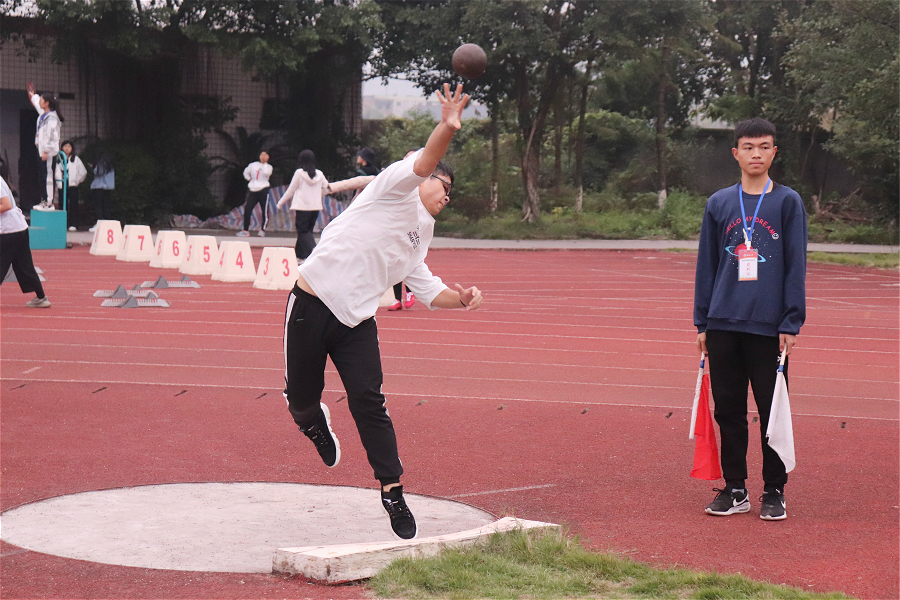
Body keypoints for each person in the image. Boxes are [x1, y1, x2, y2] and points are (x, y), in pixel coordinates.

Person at [282, 83, 481, 540]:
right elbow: (425, 161)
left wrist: (461, 297)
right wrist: (447, 127)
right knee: (300, 403)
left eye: (451, 191)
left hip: (356, 323)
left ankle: (392, 491)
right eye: (445, 185)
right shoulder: (394, 187)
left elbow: (428, 288)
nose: (448, 195)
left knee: (370, 403)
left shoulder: (422, 233)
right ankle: (313, 423)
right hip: (311, 303)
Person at [694, 117, 807, 521]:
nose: (756, 154)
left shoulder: (787, 202)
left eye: (763, 147)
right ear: (736, 153)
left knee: (771, 412)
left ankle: (774, 489)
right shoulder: (719, 203)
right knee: (728, 410)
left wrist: (791, 322)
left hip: (768, 327)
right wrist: (702, 323)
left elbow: (795, 265)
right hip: (723, 324)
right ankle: (735, 487)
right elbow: (706, 265)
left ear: (774, 152)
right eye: (748, 147)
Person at [0, 175, 51, 308]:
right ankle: (41, 297)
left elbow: (6, 204)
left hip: (9, 229)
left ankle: (41, 298)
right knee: (25, 264)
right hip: (19, 227)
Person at [276, 150, 328, 261]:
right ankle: (300, 255)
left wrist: (280, 203)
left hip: (302, 207)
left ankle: (313, 253)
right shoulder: (319, 174)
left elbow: (290, 190)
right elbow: (327, 188)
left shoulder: (299, 173)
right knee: (307, 231)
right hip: (315, 208)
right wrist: (318, 196)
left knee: (303, 231)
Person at [27, 84, 63, 210]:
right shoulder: (43, 115)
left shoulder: (52, 118)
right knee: (41, 176)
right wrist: (33, 96)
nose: (40, 101)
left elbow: (53, 137)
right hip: (42, 151)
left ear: (47, 103)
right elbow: (37, 104)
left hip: (48, 153)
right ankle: (44, 201)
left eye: (42, 99)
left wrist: (46, 151)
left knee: (47, 177)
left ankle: (49, 203)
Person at [237, 151, 273, 237]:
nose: (263, 157)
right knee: (248, 209)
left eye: (265, 155)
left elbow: (266, 173)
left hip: (263, 189)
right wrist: (249, 179)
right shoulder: (253, 165)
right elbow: (246, 172)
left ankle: (262, 230)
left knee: (264, 211)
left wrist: (265, 163)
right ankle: (245, 230)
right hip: (253, 190)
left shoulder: (268, 167)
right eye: (261, 155)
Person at [55, 140, 88, 231]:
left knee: (73, 205)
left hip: (72, 186)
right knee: (62, 205)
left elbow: (83, 172)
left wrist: (76, 181)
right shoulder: (59, 159)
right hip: (62, 185)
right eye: (65, 146)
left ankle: (73, 224)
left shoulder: (75, 159)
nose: (67, 149)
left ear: (72, 148)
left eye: (69, 147)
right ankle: (63, 224)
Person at [89, 151, 115, 231]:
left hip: (99, 187)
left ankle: (99, 223)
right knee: (106, 206)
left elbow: (98, 172)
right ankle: (107, 224)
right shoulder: (111, 165)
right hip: (108, 187)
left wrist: (93, 166)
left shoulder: (101, 163)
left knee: (98, 206)